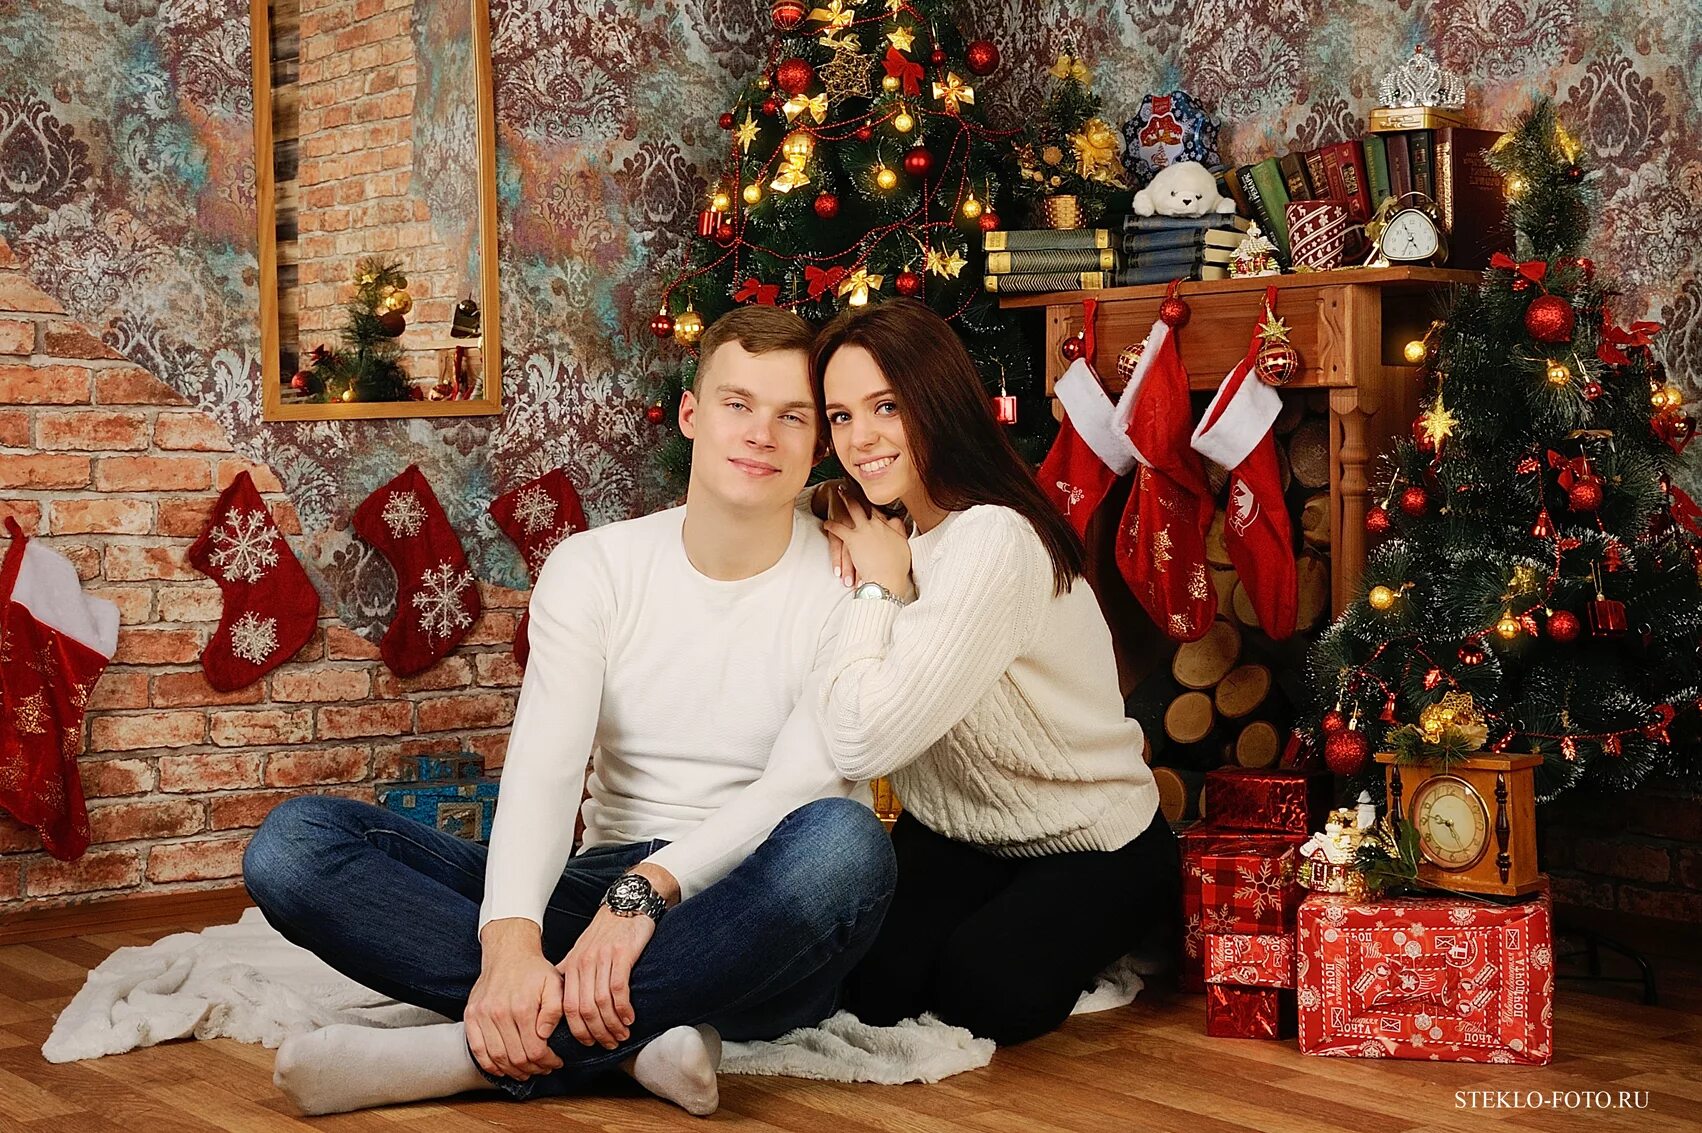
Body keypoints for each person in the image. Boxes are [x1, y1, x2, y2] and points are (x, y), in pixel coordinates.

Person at [242, 306, 896, 1116]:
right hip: (597, 888)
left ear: (817, 443)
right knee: (294, 845)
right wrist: (513, 938)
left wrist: (646, 895)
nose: (761, 433)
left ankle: (468, 1056)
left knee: (847, 844)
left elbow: (802, 783)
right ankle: (639, 1036)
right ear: (691, 414)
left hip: (752, 907)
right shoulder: (596, 567)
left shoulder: (851, 580)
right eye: (738, 404)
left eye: (791, 416)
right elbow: (546, 769)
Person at [807, 298, 1180, 1046]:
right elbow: (794, 497)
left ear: (937, 401)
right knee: (871, 990)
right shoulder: (897, 521)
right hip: (963, 831)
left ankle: (1113, 937)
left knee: (982, 995)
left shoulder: (992, 541)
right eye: (841, 416)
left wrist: (879, 588)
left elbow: (862, 743)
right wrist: (829, 500)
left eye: (886, 406)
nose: (860, 438)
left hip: (1093, 838)